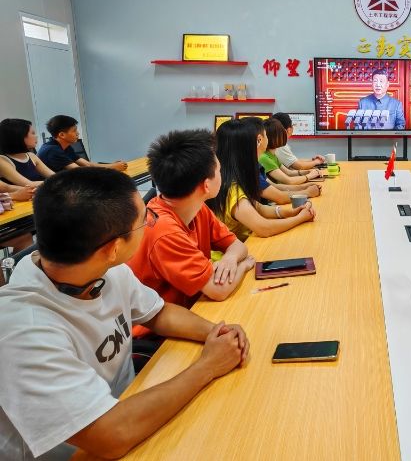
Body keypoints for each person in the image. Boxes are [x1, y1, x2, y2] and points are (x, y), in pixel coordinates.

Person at [0, 167, 249, 459]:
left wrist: (215, 333)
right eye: (145, 220)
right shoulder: (24, 331)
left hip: (130, 405)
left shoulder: (102, 269)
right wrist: (207, 366)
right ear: (113, 248)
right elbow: (111, 434)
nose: (151, 223)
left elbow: (158, 313)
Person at [127, 129, 255, 315]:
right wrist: (244, 265)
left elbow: (237, 245)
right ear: (206, 185)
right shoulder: (165, 232)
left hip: (191, 309)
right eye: (219, 170)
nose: (222, 174)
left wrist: (229, 259)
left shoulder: (197, 207)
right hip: (160, 329)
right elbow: (218, 290)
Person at [209, 119, 316, 241]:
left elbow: (260, 208)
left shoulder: (236, 176)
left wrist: (291, 213)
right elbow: (264, 228)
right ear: (258, 140)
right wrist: (300, 218)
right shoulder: (231, 188)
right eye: (266, 135)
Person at [240, 117, 322, 205]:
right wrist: (307, 190)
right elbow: (281, 194)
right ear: (259, 140)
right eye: (265, 135)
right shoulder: (259, 161)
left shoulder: (258, 162)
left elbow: (276, 186)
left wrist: (304, 186)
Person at [37, 115, 128, 172]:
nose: (78, 133)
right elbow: (80, 172)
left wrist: (111, 165)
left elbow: (88, 165)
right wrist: (112, 167)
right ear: (62, 135)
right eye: (74, 130)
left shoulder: (65, 146)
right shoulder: (52, 150)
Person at [259, 119, 322, 185]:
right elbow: (289, 181)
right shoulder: (264, 158)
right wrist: (309, 176)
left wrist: (309, 172)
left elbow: (289, 172)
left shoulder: (272, 155)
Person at [0, 118, 54, 186]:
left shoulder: (31, 156)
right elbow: (29, 185)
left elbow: (53, 176)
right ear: (19, 136)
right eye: (33, 133)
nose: (36, 136)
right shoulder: (2, 160)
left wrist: (61, 179)